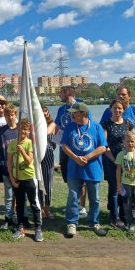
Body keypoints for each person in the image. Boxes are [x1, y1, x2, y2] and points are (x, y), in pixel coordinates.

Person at [61, 102, 107, 238]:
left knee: (95, 198)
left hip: (93, 168)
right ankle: (71, 223)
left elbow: (103, 147)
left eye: (74, 112)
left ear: (83, 114)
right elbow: (64, 145)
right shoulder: (70, 127)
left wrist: (87, 157)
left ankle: (94, 222)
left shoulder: (97, 127)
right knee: (73, 196)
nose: (72, 114)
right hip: (74, 168)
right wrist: (75, 158)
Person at [55, 86, 89, 218]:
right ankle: (73, 204)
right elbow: (57, 125)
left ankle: (82, 207)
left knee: (81, 178)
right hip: (64, 147)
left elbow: (87, 123)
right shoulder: (61, 109)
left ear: (67, 93)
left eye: (60, 93)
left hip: (78, 147)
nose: (59, 96)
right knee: (69, 176)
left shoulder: (81, 106)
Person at [7, 119, 44, 242]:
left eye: (25, 129)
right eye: (20, 129)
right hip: (17, 178)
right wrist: (12, 178)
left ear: (28, 131)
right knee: (20, 204)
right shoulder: (12, 144)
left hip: (28, 177)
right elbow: (9, 162)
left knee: (33, 203)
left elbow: (29, 160)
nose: (22, 131)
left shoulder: (29, 143)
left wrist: (22, 150)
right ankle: (20, 227)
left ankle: (38, 228)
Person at [101, 99, 134, 228]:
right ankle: (114, 217)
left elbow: (133, 141)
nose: (117, 110)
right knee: (114, 188)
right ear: (111, 109)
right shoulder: (106, 124)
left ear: (123, 110)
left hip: (125, 161)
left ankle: (124, 215)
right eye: (115, 108)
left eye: (120, 108)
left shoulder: (128, 124)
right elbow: (104, 144)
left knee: (124, 188)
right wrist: (114, 160)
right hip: (111, 160)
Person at [0, 104, 19, 229]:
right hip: (7, 169)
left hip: (20, 169)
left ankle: (20, 217)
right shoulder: (1, 131)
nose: (10, 117)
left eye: (12, 115)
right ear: (4, 116)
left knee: (19, 194)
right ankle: (8, 218)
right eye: (7, 115)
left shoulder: (20, 130)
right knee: (9, 195)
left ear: (16, 115)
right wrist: (1, 163)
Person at [40, 106, 57, 220]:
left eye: (46, 111)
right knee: (38, 184)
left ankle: (47, 208)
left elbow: (56, 140)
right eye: (42, 111)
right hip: (37, 156)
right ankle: (40, 209)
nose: (44, 113)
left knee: (48, 184)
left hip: (48, 156)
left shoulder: (53, 124)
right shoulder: (35, 124)